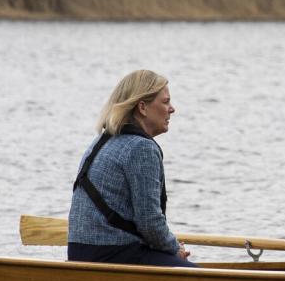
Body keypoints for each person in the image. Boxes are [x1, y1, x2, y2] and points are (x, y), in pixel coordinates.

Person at [68, 69, 196, 268]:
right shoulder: (141, 148)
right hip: (112, 255)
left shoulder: (101, 141)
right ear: (143, 107)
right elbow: (150, 223)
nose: (172, 109)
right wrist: (175, 250)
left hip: (80, 252)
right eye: (165, 102)